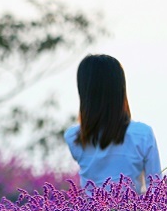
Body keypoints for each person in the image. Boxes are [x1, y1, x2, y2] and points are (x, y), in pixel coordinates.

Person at [64, 54, 160, 194]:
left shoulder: (74, 137)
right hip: (132, 208)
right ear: (120, 89)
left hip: (91, 209)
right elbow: (156, 189)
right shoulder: (142, 134)